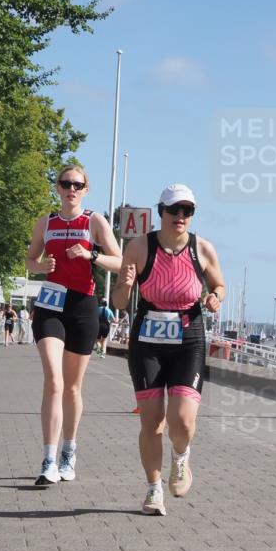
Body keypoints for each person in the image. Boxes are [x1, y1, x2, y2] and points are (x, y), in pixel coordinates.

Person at [113, 183, 225, 516]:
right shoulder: (138, 247)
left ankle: (181, 457)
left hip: (188, 337)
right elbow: (119, 302)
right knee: (152, 422)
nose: (180, 216)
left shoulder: (202, 250)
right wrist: (126, 284)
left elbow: (219, 283)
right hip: (148, 339)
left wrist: (215, 297)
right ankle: (153, 490)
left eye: (187, 211)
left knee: (183, 422)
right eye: (174, 210)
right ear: (160, 211)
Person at [26, 164, 122, 486]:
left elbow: (119, 261)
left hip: (83, 307)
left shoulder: (94, 221)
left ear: (85, 189)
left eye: (77, 185)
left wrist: (91, 254)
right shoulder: (46, 222)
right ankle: (49, 459)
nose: (71, 189)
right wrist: (40, 267)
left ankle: (69, 449)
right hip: (51, 305)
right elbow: (29, 259)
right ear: (57, 187)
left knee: (72, 387)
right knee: (53, 380)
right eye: (66, 183)